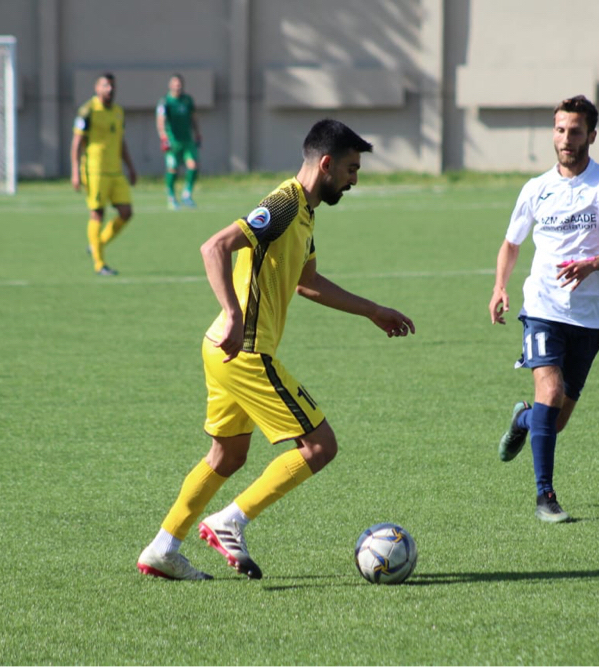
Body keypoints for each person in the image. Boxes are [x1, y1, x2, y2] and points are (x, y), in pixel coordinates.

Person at [137, 119, 416, 580]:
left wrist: (372, 310)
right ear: (326, 164)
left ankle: (163, 547)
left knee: (227, 457)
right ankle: (230, 521)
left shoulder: (305, 212)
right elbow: (214, 247)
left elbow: (308, 282)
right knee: (320, 446)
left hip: (222, 351)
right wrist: (232, 312)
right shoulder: (284, 204)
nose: (354, 180)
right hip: (244, 351)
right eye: (350, 169)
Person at [488, 95, 599, 523]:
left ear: (591, 136)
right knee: (551, 393)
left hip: (590, 317)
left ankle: (523, 421)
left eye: (575, 131)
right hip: (542, 307)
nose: (566, 139)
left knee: (553, 421)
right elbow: (511, 243)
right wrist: (500, 287)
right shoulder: (536, 188)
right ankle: (546, 498)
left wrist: (593, 263)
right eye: (560, 130)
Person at [71, 72, 137, 276]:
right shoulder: (88, 111)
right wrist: (75, 171)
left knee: (126, 212)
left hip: (115, 171)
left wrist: (130, 167)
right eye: (105, 86)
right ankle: (99, 264)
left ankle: (96, 244)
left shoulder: (118, 111)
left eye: (112, 86)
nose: (110, 89)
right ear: (97, 88)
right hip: (95, 170)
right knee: (98, 213)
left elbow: (121, 141)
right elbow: (76, 142)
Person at [156, 73, 201, 210]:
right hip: (173, 141)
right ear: (170, 85)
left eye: (179, 84)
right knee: (173, 169)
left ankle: (187, 194)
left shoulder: (187, 100)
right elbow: (160, 120)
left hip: (187, 140)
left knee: (193, 166)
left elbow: (193, 118)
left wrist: (197, 133)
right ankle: (171, 197)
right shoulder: (165, 102)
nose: (177, 87)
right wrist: (163, 137)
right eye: (175, 84)